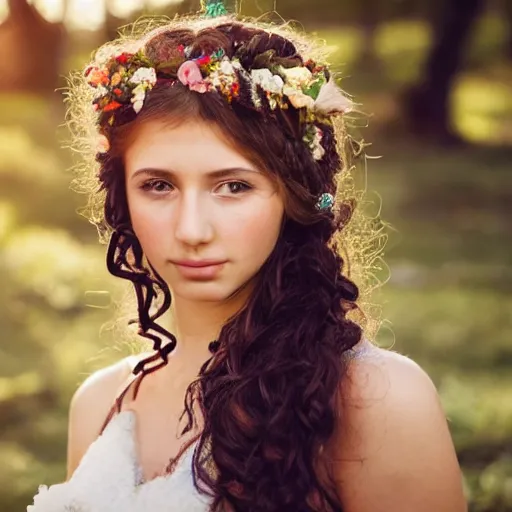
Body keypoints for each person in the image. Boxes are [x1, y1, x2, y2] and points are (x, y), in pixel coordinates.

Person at [28, 2, 467, 511]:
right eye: (158, 185)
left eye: (233, 186)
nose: (191, 230)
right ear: (121, 196)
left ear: (294, 194)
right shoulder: (97, 405)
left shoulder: (375, 400)